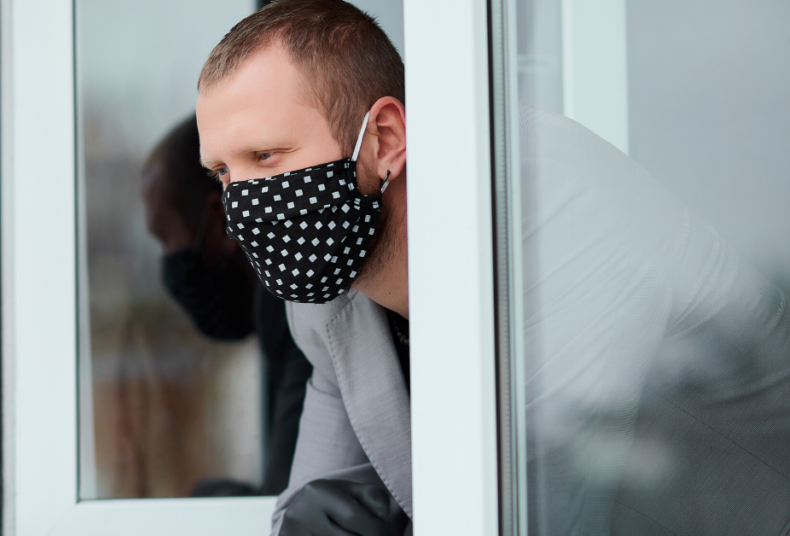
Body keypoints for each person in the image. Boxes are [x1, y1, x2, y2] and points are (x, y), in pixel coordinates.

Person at [195, 1, 790, 535]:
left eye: (265, 156)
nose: (242, 202)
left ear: (385, 138)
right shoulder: (324, 284)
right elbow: (322, 500)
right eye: (222, 174)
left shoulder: (536, 196)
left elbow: (543, 505)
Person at [141, 115, 314, 496]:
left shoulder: (293, 306)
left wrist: (208, 503)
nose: (169, 261)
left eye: (166, 236)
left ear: (219, 220)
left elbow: (292, 505)